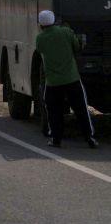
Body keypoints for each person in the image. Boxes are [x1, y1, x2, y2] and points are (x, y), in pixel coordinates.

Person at [36, 10, 98, 149]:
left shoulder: (40, 38)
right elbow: (76, 46)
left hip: (52, 82)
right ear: (54, 21)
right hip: (72, 79)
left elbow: (40, 51)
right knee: (81, 109)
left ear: (41, 24)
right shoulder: (66, 32)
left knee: (53, 112)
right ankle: (89, 138)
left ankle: (56, 139)